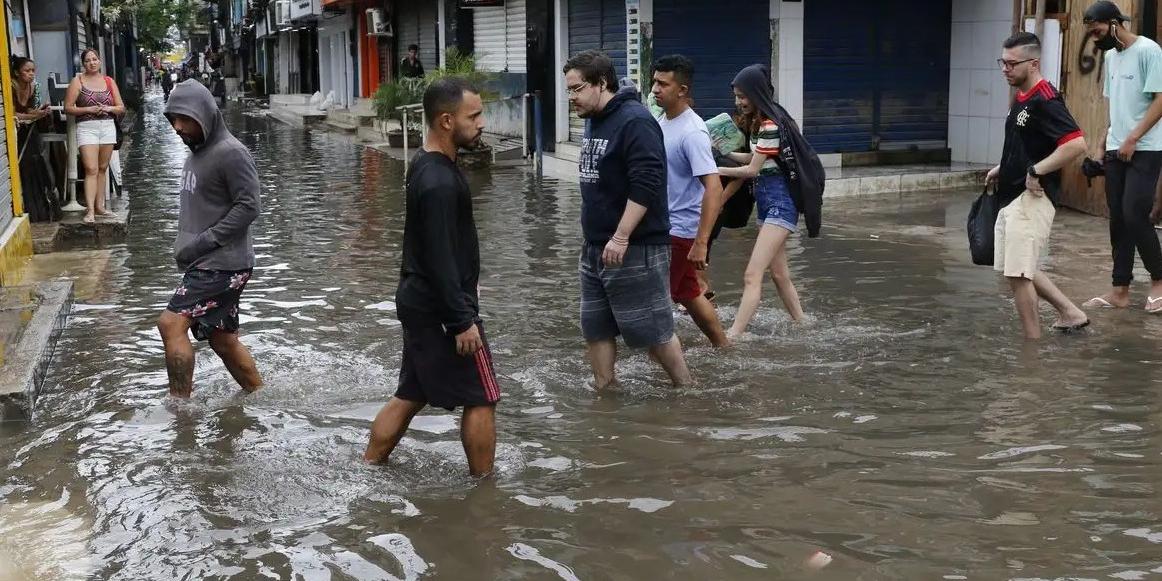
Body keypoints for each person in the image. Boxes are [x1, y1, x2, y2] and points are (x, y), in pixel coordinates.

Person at [364, 78, 498, 477]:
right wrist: (461, 320)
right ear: (445, 121)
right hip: (441, 310)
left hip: (421, 301)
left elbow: (438, 248)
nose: (481, 123)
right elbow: (439, 256)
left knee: (411, 392)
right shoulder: (438, 180)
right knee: (483, 396)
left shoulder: (426, 163)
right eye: (473, 116)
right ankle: (484, 488)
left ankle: (369, 467)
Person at [563, 50, 692, 388]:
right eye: (569, 90)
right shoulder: (593, 117)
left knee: (654, 332)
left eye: (576, 89)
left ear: (602, 83)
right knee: (596, 327)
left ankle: (688, 391)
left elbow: (647, 183)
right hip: (595, 247)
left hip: (636, 247)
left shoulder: (635, 121)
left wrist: (621, 236)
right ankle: (605, 392)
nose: (571, 97)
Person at [156, 80, 263, 398]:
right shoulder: (198, 152)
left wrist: (204, 242)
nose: (177, 127)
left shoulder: (231, 153)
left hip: (221, 263)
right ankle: (260, 396)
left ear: (205, 115)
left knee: (171, 324)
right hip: (208, 262)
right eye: (173, 119)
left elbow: (250, 206)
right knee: (223, 340)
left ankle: (180, 410)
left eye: (185, 119)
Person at [986, 32, 1090, 339]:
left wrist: (1036, 170)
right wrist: (1002, 168)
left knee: (1018, 274)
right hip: (1014, 193)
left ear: (1033, 63)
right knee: (1018, 269)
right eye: (1002, 62)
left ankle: (1031, 348)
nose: (1005, 69)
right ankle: (1071, 313)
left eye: (1011, 63)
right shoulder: (1023, 97)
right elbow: (1027, 143)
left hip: (1032, 197)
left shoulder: (1045, 99)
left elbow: (1076, 144)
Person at [1081, 1, 1162, 313]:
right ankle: (1120, 291)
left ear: (1114, 23)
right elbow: (1115, 107)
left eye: (1098, 30)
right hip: (1116, 148)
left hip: (1146, 147)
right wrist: (1103, 145)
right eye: (1091, 33)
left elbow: (1159, 100)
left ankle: (1158, 281)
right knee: (1118, 220)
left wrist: (1133, 138)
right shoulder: (1112, 57)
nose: (1095, 37)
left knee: (1134, 213)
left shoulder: (1149, 50)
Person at [717, 64, 805, 338]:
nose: (738, 102)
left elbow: (752, 170)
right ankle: (804, 324)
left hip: (780, 205)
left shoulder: (769, 125)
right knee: (779, 275)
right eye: (736, 96)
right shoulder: (762, 124)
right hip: (767, 205)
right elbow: (756, 159)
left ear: (757, 94)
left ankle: (733, 335)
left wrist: (716, 170)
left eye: (743, 96)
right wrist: (723, 152)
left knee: (752, 275)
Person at [650, 54, 729, 347]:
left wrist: (701, 242)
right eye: (654, 82)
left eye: (663, 84)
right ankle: (723, 346)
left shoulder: (692, 131)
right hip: (664, 225)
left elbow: (714, 187)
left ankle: (665, 365)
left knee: (653, 301)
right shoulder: (662, 120)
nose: (655, 89)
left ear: (682, 90)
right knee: (689, 294)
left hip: (678, 231)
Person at [63, 48, 125, 224]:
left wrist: (109, 108)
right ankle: (90, 210)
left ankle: (100, 207)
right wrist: (87, 109)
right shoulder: (78, 81)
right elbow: (68, 107)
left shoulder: (108, 81)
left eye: (95, 59)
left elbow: (121, 107)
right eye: (88, 60)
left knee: (103, 168)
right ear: (83, 63)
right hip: (86, 127)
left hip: (107, 126)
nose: (92, 62)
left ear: (100, 61)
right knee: (91, 168)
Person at [11, 56, 60, 223]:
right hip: (15, 133)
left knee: (36, 165)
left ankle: (39, 211)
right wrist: (32, 114)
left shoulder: (32, 87)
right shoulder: (11, 86)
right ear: (17, 72)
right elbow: (11, 113)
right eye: (27, 71)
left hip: (29, 131)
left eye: (33, 71)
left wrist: (40, 112)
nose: (31, 74)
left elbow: (30, 110)